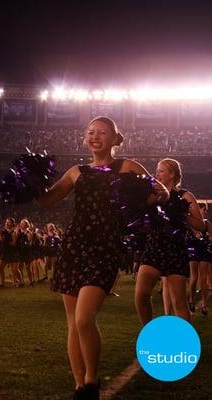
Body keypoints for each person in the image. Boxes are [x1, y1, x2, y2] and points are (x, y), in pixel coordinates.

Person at [37, 116, 169, 400]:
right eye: (91, 132)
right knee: (73, 322)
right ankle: (79, 386)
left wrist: (149, 201)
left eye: (102, 132)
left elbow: (162, 192)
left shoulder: (128, 167)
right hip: (74, 246)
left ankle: (92, 380)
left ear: (114, 139)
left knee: (85, 318)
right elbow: (47, 199)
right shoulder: (77, 171)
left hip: (105, 248)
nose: (95, 136)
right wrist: (30, 187)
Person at [135, 158, 205, 324]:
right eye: (157, 170)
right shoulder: (152, 194)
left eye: (161, 170)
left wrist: (182, 213)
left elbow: (201, 226)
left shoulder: (185, 196)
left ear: (172, 174)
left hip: (175, 250)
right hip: (154, 247)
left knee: (179, 302)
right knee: (140, 295)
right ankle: (149, 332)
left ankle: (185, 343)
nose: (157, 173)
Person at [188, 203, 211, 316]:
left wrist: (208, 237)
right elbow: (192, 234)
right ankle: (191, 300)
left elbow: (211, 237)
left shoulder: (207, 223)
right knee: (194, 277)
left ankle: (204, 304)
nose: (205, 212)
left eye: (205, 210)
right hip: (193, 249)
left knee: (203, 278)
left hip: (204, 250)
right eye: (203, 209)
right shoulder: (191, 222)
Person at [0, 218, 19, 287]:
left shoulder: (13, 232)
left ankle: (15, 283)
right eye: (6, 222)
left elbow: (14, 243)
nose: (6, 223)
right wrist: (0, 235)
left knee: (14, 270)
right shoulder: (3, 231)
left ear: (12, 224)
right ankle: (2, 283)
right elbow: (1, 240)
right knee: (0, 268)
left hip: (12, 252)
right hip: (5, 252)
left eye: (9, 222)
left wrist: (5, 241)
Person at [17, 219, 33, 286]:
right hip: (20, 251)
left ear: (26, 225)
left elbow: (29, 242)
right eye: (21, 223)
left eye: (23, 223)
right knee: (20, 267)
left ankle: (31, 281)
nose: (21, 224)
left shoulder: (29, 232)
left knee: (28, 267)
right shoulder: (19, 231)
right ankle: (21, 281)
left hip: (26, 251)